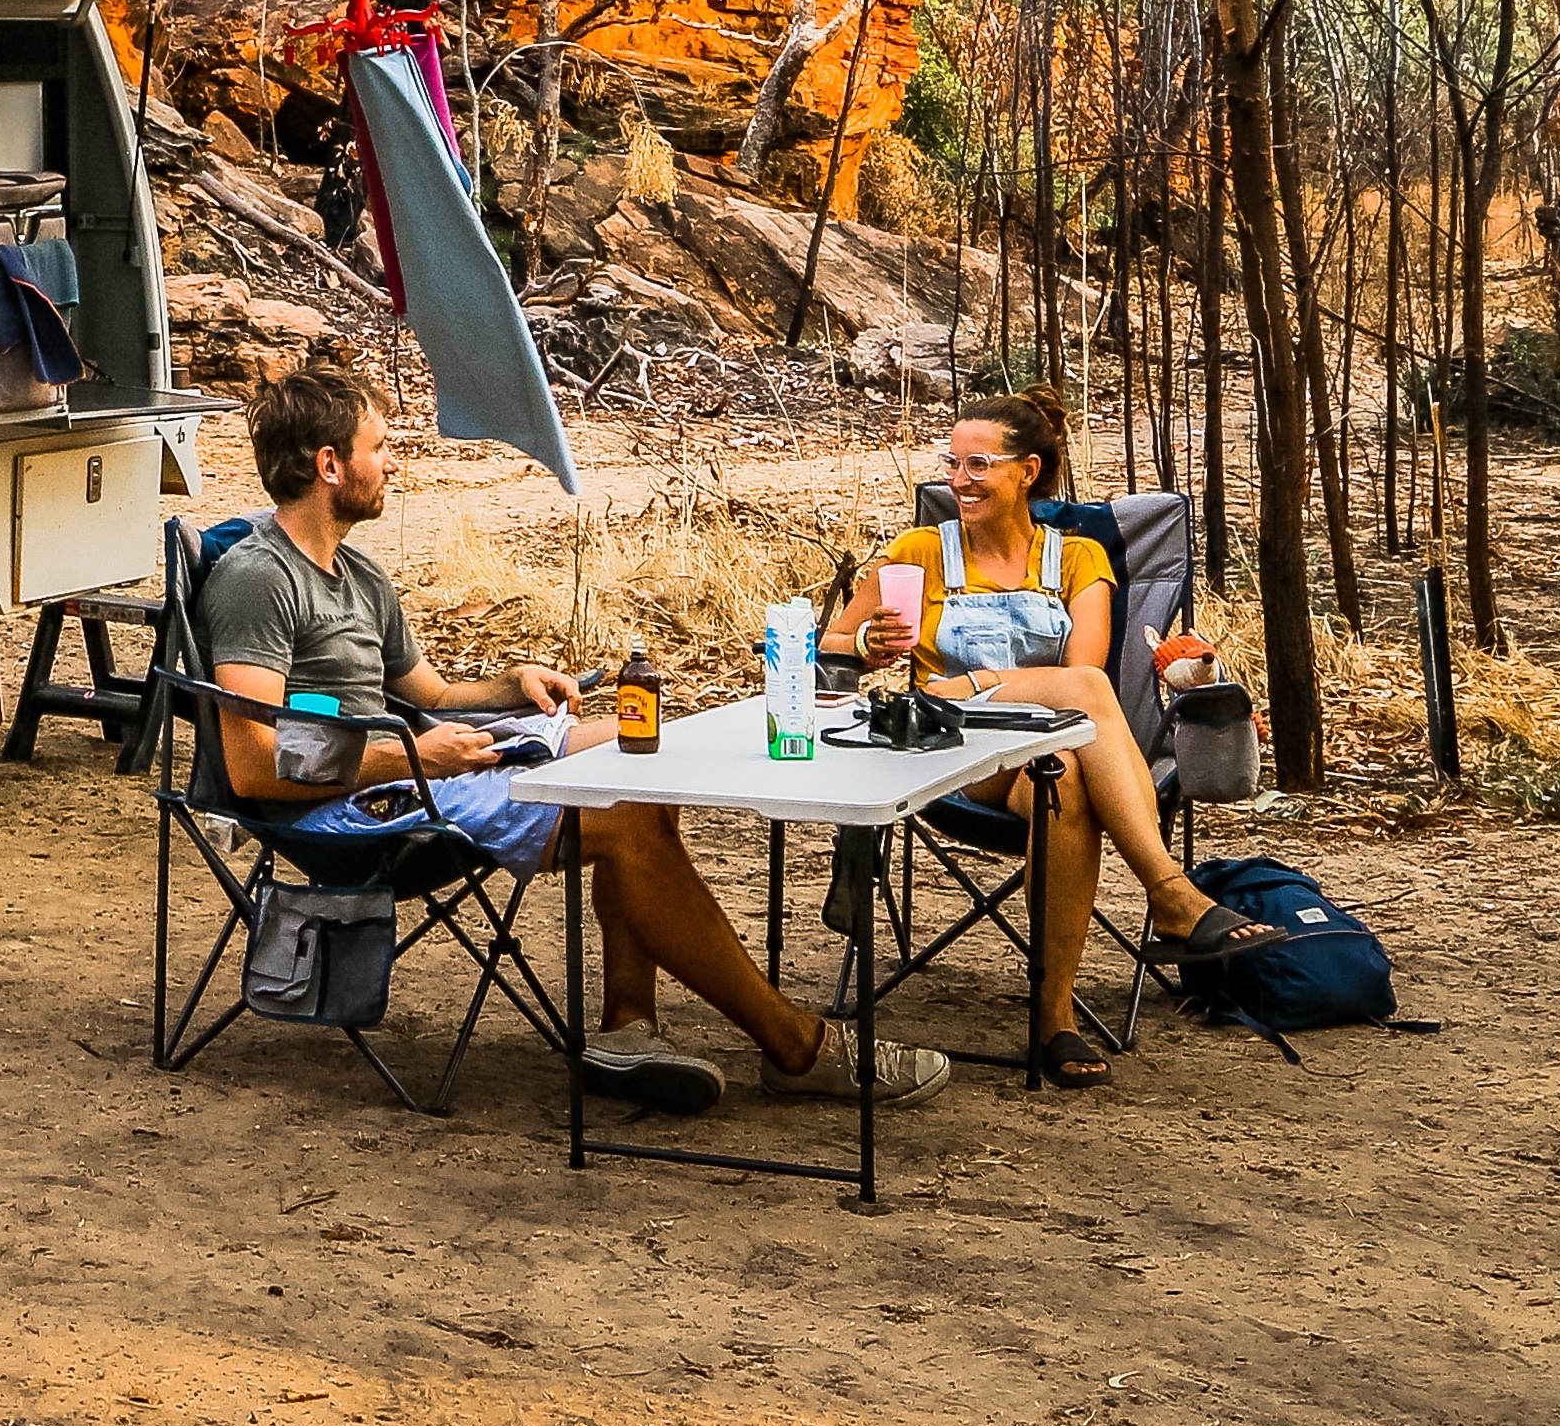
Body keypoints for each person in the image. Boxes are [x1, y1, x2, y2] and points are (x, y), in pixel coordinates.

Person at [207, 354, 949, 1116]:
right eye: (380, 447)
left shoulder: (356, 572)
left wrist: (512, 684)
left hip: (404, 766)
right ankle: (797, 1047)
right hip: (341, 807)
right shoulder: (259, 579)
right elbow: (254, 768)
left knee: (639, 749)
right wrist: (416, 756)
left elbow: (432, 695)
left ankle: (628, 1028)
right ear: (330, 465)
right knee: (621, 814)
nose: (394, 462)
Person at [854, 387, 1281, 1085]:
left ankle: (1054, 1018)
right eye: (952, 463)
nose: (958, 480)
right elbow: (831, 651)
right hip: (949, 752)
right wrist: (867, 644)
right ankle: (1167, 894)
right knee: (1081, 697)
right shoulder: (918, 552)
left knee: (1068, 772)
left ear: (1027, 471)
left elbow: (1081, 677)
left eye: (978, 465)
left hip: (1042, 750)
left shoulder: (1079, 559)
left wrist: (969, 681)